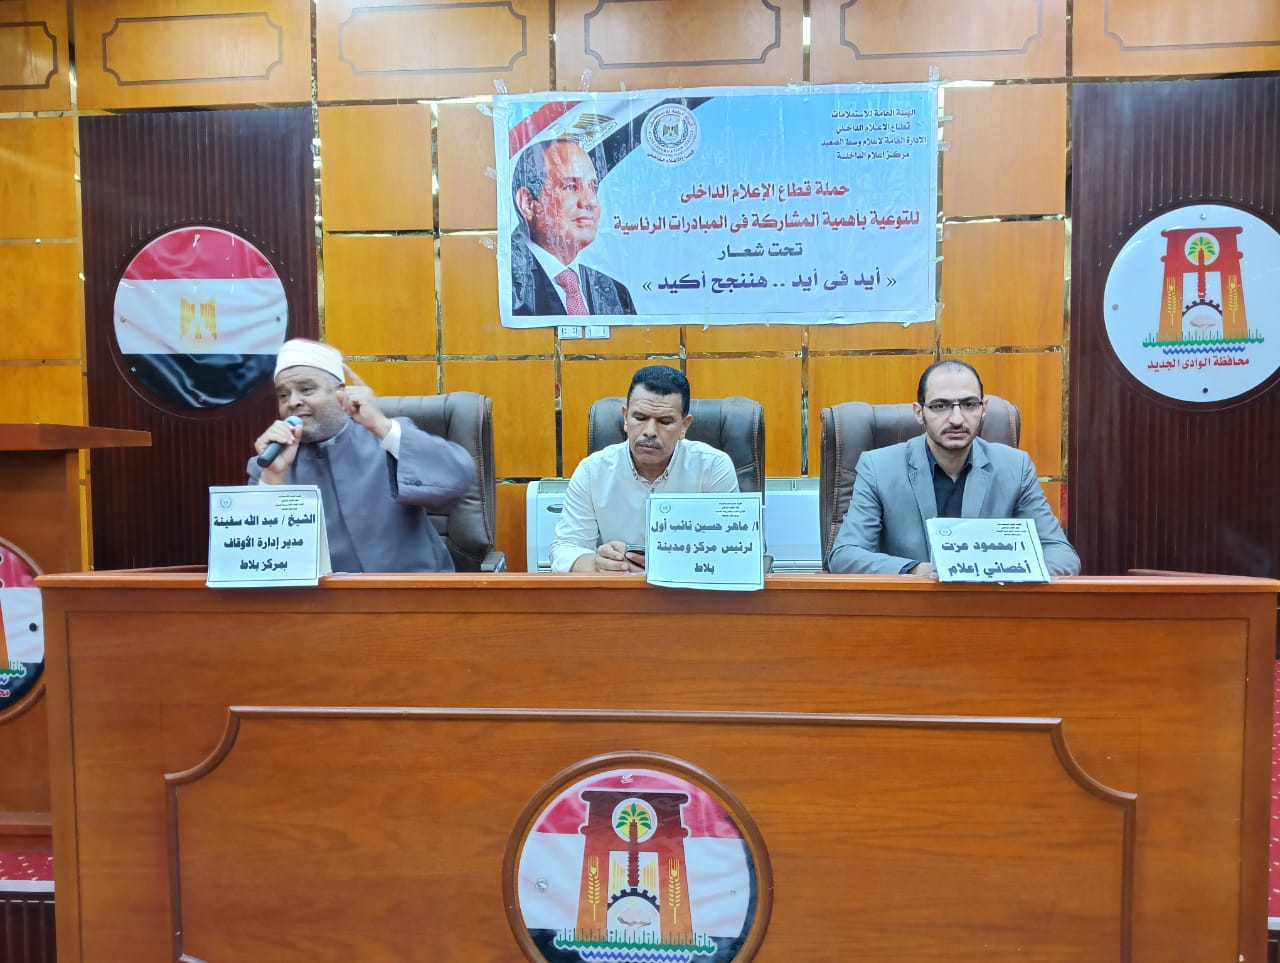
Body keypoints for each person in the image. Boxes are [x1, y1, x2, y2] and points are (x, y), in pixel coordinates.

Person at [827, 359, 1080, 577]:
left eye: (969, 404)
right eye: (940, 406)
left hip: (989, 608)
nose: (957, 419)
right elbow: (844, 555)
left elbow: (1062, 555)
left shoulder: (1015, 467)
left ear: (983, 409)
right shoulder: (878, 467)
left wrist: (994, 572)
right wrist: (920, 571)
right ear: (919, 412)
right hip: (909, 610)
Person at [248, 338, 476, 573]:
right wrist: (273, 476)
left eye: (306, 389)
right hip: (322, 596)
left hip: (411, 590)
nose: (293, 402)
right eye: (283, 395)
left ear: (341, 393)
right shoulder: (270, 464)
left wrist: (380, 424)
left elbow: (459, 479)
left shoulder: (386, 439)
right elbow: (255, 553)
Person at [549, 365, 738, 573]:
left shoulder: (712, 467)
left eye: (665, 421)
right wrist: (596, 564)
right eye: (640, 418)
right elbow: (565, 548)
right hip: (617, 588)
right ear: (625, 417)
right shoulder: (593, 471)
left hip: (688, 589)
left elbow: (733, 552)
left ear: (684, 426)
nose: (650, 432)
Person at [510, 137, 636, 317]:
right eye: (570, 186)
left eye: (593, 188)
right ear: (528, 203)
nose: (590, 201)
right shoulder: (509, 286)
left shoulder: (615, 293)